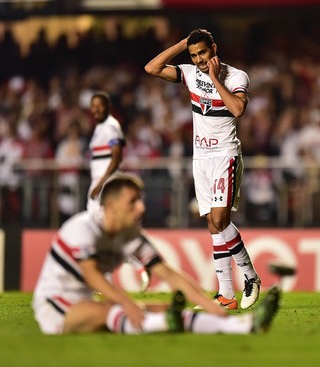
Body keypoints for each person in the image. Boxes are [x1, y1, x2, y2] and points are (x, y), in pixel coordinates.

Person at [32, 172, 280, 335]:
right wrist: (127, 302)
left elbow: (169, 274)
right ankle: (158, 323)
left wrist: (207, 304)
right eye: (132, 201)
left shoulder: (130, 235)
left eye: (140, 200)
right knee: (118, 312)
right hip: (55, 307)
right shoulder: (82, 229)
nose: (140, 206)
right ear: (111, 206)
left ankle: (244, 326)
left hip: (85, 304)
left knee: (162, 308)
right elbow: (92, 276)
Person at [145, 28, 260, 309]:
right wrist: (183, 44)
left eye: (202, 53)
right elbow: (152, 67)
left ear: (214, 49)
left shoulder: (236, 76)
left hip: (225, 156)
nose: (198, 60)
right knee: (212, 224)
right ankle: (226, 295)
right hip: (201, 158)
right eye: (193, 55)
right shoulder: (190, 72)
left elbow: (237, 109)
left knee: (220, 220)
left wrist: (213, 78)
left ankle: (251, 276)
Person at [87, 91, 149, 291]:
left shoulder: (111, 127)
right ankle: (122, 270)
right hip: (98, 183)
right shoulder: (100, 128)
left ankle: (129, 266)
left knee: (101, 230)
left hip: (105, 185)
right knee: (100, 232)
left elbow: (116, 157)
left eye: (100, 105)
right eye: (93, 105)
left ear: (108, 106)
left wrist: (101, 183)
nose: (96, 109)